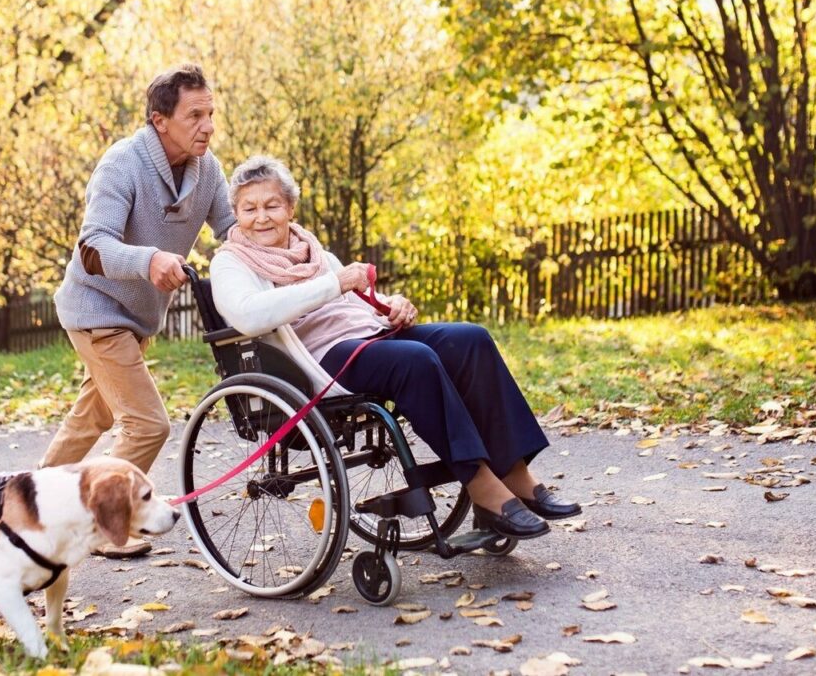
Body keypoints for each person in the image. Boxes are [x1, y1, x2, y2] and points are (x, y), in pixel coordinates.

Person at [208, 156, 580, 539]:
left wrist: (392, 305)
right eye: (249, 209)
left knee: (470, 339)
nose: (261, 217)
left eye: (271, 205)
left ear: (289, 208)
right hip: (319, 360)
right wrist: (333, 284)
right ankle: (482, 486)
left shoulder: (312, 250)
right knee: (415, 361)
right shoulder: (230, 264)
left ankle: (515, 473)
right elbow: (250, 317)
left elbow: (355, 300)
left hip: (370, 333)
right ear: (236, 214)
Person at [45, 63, 235, 557]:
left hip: (137, 318)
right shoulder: (122, 164)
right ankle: (107, 526)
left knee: (91, 420)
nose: (208, 125)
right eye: (195, 115)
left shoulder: (207, 169)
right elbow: (92, 248)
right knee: (149, 424)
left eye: (211, 113)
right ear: (159, 120)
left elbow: (232, 230)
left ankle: (29, 502)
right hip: (96, 310)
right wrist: (148, 260)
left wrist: (284, 248)